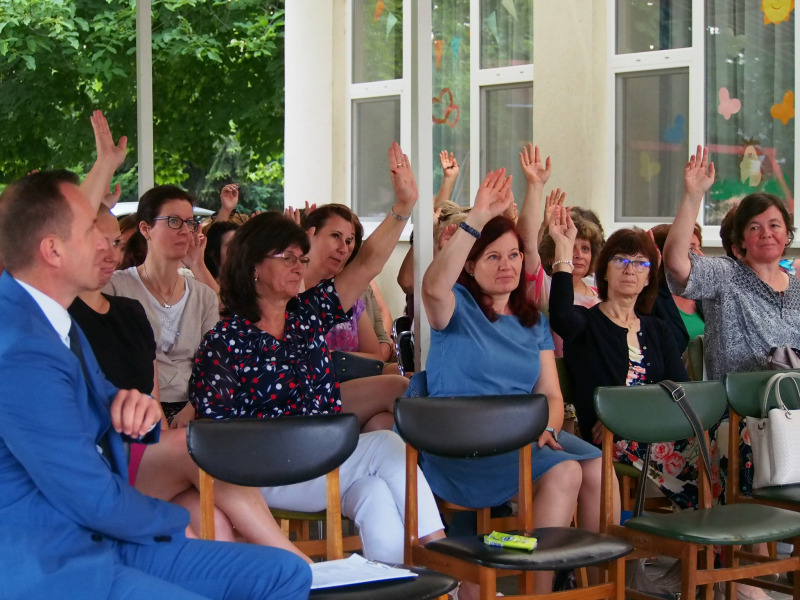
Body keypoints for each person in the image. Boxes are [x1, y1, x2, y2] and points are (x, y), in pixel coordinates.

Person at [0, 170, 310, 600]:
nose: (107, 241)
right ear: (52, 250)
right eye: (91, 228)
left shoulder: (51, 316)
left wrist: (129, 404)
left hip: (103, 539)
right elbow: (89, 496)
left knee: (287, 573)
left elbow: (100, 404)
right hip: (57, 561)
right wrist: (170, 523)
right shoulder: (19, 345)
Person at [189, 143, 446, 565]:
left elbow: (363, 266)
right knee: (384, 446)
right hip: (266, 475)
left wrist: (404, 206)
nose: (299, 266)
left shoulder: (305, 316)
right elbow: (216, 440)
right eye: (287, 258)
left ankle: (390, 587)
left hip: (323, 462)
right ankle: (444, 563)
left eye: (301, 257)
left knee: (374, 495)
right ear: (253, 266)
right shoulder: (225, 341)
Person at [70, 206, 310, 561]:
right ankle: (295, 562)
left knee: (209, 518)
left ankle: (252, 582)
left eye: (116, 242)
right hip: (98, 461)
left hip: (147, 454)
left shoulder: (131, 313)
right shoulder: (57, 315)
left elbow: (151, 402)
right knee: (193, 445)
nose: (110, 252)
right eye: (98, 241)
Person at [420, 168, 608, 595]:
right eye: (492, 256)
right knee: (566, 472)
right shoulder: (454, 308)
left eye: (513, 256)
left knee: (582, 468)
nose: (506, 266)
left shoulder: (532, 320)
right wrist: (477, 218)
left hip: (521, 440)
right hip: (463, 445)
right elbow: (432, 285)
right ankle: (525, 576)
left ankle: (564, 584)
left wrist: (546, 426)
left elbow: (550, 395)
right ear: (470, 263)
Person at [547, 207, 699, 510]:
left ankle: (706, 549)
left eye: (641, 263)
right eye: (621, 260)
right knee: (707, 460)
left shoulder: (658, 329)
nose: (630, 269)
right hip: (611, 441)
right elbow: (560, 314)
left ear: (648, 278)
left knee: (720, 450)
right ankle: (702, 547)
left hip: (658, 431)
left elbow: (681, 390)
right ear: (604, 270)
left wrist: (629, 415)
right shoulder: (585, 324)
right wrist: (563, 248)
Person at [105, 185, 219, 426]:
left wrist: (195, 406)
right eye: (173, 221)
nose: (184, 231)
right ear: (145, 228)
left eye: (189, 222)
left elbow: (214, 362)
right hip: (135, 409)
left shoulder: (203, 296)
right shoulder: (116, 287)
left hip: (195, 409)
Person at [301, 203, 409, 431]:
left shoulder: (340, 297)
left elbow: (376, 357)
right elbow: (367, 264)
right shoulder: (292, 296)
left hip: (344, 388)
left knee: (384, 421)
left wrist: (333, 358)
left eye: (349, 241)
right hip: (304, 405)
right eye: (335, 236)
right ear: (309, 236)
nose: (344, 248)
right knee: (399, 384)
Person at [650, 223, 704, 347]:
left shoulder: (703, 295)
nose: (700, 254)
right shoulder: (650, 300)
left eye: (699, 247)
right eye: (691, 249)